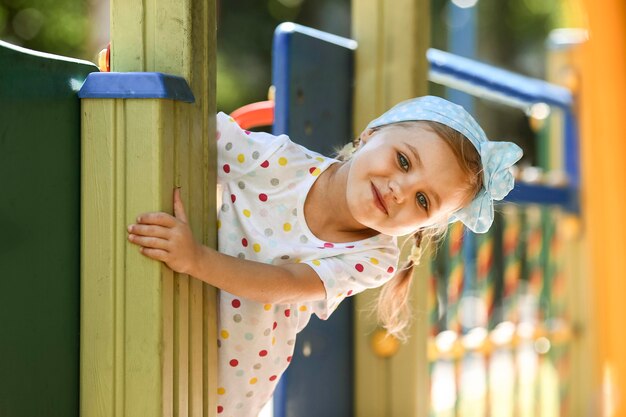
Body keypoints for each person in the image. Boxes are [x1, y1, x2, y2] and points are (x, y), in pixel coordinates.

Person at [126, 95, 522, 416]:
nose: (400, 189)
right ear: (370, 134)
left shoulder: (372, 256)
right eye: (403, 160)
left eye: (422, 200)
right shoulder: (277, 162)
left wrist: (195, 258)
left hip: (234, 375)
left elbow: (283, 286)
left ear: (424, 225)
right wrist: (137, 95)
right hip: (176, 308)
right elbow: (198, 135)